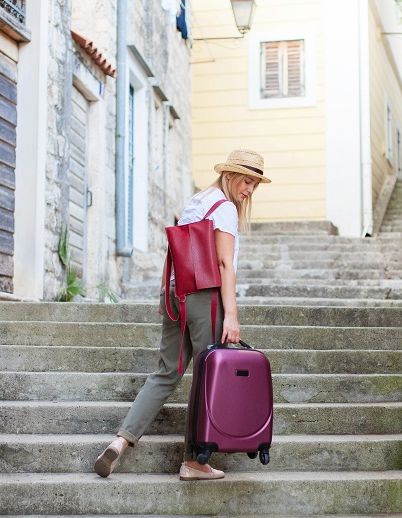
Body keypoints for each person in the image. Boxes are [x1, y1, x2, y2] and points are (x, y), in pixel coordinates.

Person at [94, 149, 271, 481]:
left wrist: (169, 294)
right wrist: (231, 315)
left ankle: (120, 441)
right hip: (206, 298)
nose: (250, 190)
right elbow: (222, 264)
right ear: (231, 176)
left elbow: (177, 252)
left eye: (255, 185)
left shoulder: (197, 201)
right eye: (247, 181)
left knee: (166, 372)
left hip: (177, 292)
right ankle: (194, 461)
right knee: (208, 377)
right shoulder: (226, 208)